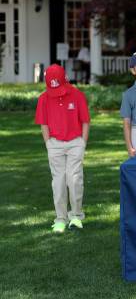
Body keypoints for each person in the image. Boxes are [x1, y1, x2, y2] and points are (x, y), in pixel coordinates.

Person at [35, 64, 90, 233]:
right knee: (58, 182)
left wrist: (83, 142)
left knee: (74, 180)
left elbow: (85, 121)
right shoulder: (44, 98)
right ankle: (60, 218)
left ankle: (76, 216)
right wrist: (48, 143)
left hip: (75, 143)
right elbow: (43, 123)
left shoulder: (77, 95)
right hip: (55, 144)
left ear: (64, 79)